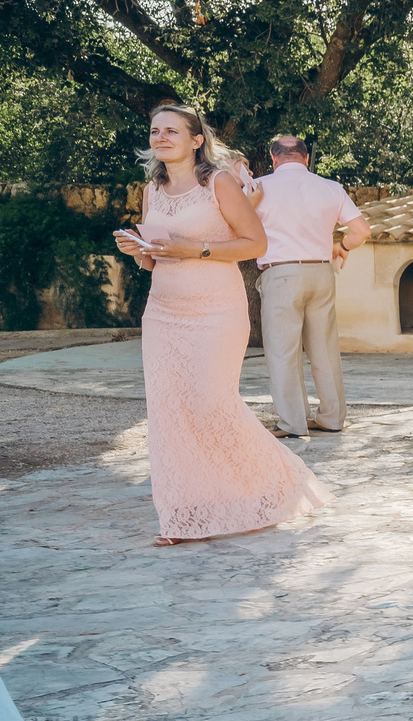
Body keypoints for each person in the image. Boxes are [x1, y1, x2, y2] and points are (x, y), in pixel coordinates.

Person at [113, 104, 331, 547]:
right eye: (155, 130)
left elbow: (255, 243)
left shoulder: (220, 182)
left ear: (196, 140)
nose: (161, 137)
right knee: (170, 411)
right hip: (163, 313)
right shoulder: (150, 189)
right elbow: (156, 260)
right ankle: (182, 514)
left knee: (212, 405)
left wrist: (196, 249)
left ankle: (278, 485)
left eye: (172, 130)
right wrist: (138, 252)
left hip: (216, 310)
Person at [252, 135, 369, 439]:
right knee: (325, 349)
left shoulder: (258, 188)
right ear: (305, 159)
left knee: (283, 350)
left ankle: (292, 422)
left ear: (273, 158)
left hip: (280, 273)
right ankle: (332, 417)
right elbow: (361, 230)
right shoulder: (330, 187)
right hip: (321, 272)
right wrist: (341, 246)